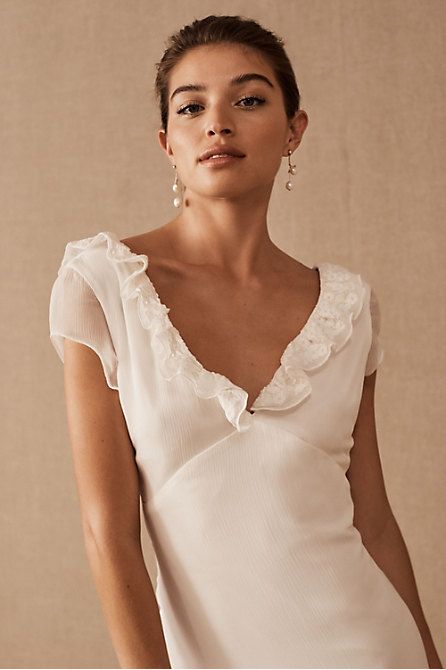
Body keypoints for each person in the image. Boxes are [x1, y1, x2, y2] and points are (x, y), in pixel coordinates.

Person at [49, 14, 442, 670]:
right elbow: (108, 534)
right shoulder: (103, 285)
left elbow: (373, 523)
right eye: (191, 106)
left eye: (249, 100)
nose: (217, 122)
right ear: (167, 142)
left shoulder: (347, 309)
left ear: (294, 131)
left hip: (372, 649)